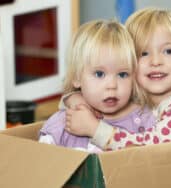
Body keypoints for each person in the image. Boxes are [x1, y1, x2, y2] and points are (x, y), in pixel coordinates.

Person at [64, 8, 171, 150]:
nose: (156, 62)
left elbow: (151, 149)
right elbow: (71, 105)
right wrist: (78, 101)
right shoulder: (135, 92)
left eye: (168, 51)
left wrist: (94, 129)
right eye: (144, 53)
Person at [38, 19, 156, 152]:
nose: (112, 85)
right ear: (77, 77)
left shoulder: (145, 118)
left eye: (122, 75)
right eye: (99, 74)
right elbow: (44, 165)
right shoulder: (64, 121)